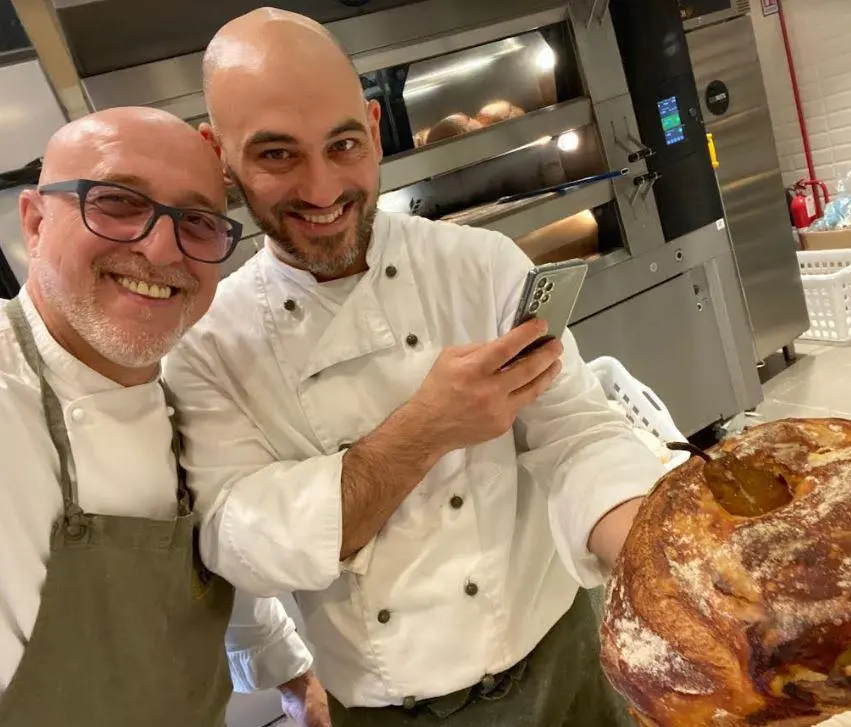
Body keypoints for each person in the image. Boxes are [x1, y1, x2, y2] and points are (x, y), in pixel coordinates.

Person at [163, 7, 667, 726]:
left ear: (372, 127)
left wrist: (668, 563)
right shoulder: (208, 343)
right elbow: (239, 538)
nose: (321, 188)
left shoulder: (482, 267)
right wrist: (426, 429)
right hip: (384, 707)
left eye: (342, 144)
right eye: (276, 155)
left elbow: (575, 432)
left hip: (563, 667)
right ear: (219, 155)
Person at [0, 106, 325, 726]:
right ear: (36, 222)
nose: (159, 246)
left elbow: (201, 556)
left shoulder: (181, 392)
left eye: (198, 221)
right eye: (119, 203)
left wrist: (293, 673)